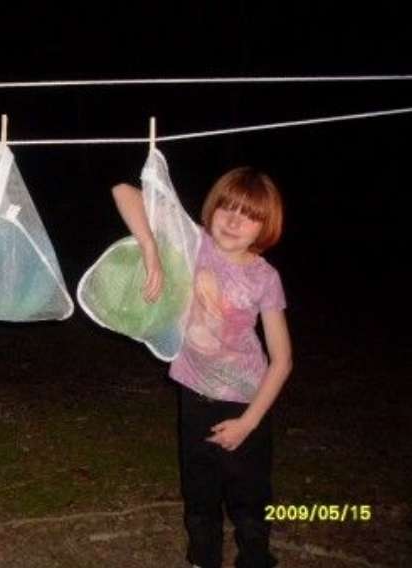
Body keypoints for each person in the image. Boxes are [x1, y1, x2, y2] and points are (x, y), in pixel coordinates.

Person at [112, 167, 292, 568]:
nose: (233, 220)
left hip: (247, 402)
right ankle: (202, 559)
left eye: (249, 214)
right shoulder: (195, 243)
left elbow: (281, 360)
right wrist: (150, 249)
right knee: (199, 494)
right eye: (227, 207)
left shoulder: (265, 277)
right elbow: (124, 189)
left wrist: (247, 422)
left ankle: (255, 559)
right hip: (194, 395)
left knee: (249, 500)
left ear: (266, 225)